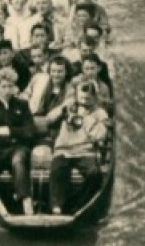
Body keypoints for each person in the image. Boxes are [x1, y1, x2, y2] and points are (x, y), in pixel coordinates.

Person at [0, 71, 45, 215]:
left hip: (17, 149)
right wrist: (16, 136)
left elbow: (30, 132)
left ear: (14, 88)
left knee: (19, 162)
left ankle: (26, 203)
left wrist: (11, 131)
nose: (7, 90)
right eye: (4, 86)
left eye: (10, 86)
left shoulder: (22, 105)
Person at [47, 81, 111, 214]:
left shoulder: (99, 113)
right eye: (80, 98)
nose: (83, 101)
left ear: (93, 97)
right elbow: (49, 120)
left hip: (85, 151)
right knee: (57, 170)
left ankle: (76, 204)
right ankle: (56, 207)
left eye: (87, 98)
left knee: (95, 175)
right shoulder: (69, 106)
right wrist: (62, 110)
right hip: (63, 149)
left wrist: (86, 119)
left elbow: (100, 136)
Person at [26, 56, 74, 128]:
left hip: (54, 124)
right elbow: (26, 94)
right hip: (32, 117)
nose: (56, 74)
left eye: (60, 71)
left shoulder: (71, 90)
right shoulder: (39, 78)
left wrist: (41, 122)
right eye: (53, 71)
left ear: (66, 72)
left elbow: (59, 111)